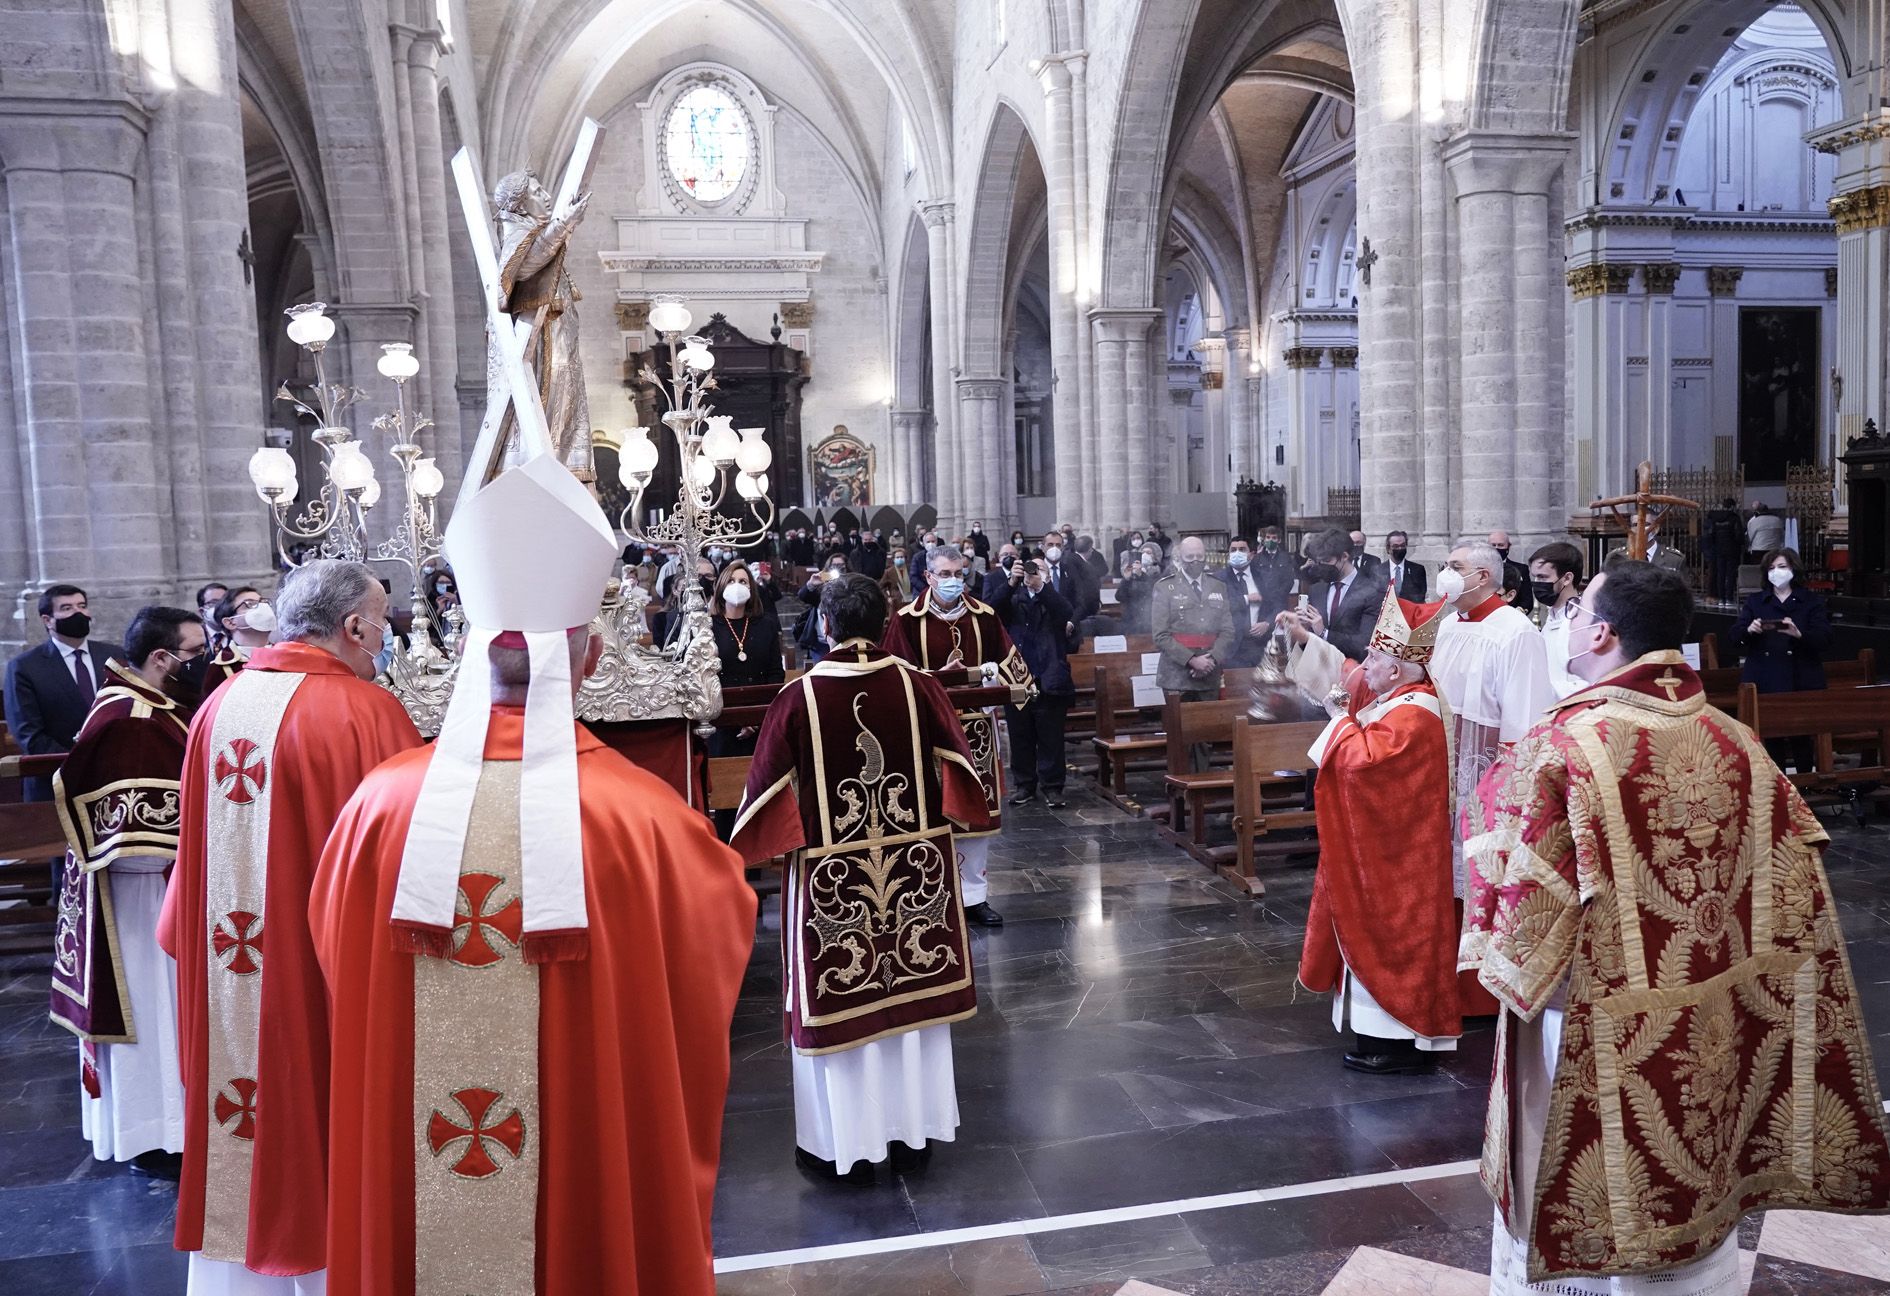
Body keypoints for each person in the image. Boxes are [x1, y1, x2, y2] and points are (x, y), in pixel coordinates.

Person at [312, 453, 755, 1296]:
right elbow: (717, 943)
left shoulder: (377, 808)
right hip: (586, 1132)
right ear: (585, 663)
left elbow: (337, 951)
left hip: (418, 1134)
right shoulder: (646, 818)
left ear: (472, 658)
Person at [1461, 561, 1890, 1293]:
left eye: (1577, 612)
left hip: (1592, 1022)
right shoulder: (1737, 741)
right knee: (1698, 1150)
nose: (1568, 623)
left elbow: (1519, 913)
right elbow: (1794, 898)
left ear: (1602, 632)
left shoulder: (1564, 747)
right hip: (1714, 1016)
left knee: (1595, 1176)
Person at [158, 559, 423, 1294]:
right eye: (381, 621)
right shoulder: (367, 715)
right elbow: (406, 862)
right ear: (355, 626)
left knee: (248, 1111)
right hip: (326, 973)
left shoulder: (220, 704)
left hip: (233, 967)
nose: (384, 638)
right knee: (328, 1111)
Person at [733, 575, 993, 1182]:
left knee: (844, 1002)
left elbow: (761, 804)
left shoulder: (798, 697)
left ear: (824, 625)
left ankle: (843, 1147)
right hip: (916, 876)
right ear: (885, 626)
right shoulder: (919, 686)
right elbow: (964, 777)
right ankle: (918, 1133)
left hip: (834, 879)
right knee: (913, 1006)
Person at [50, 605, 202, 1181]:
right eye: (193, 652)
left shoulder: (150, 705)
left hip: (152, 892)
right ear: (162, 657)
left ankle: (168, 1127)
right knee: (152, 1016)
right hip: (138, 904)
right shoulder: (132, 720)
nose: (201, 659)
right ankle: (158, 1134)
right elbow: (128, 842)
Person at [1296, 588, 1459, 1075]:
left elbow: (1366, 765)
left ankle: (1396, 1044)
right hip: (1387, 845)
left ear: (1395, 669)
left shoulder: (1414, 713)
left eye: (1373, 657)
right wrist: (1308, 642)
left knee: (1393, 936)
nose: (1364, 664)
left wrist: (1339, 722)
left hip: (1399, 857)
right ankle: (1381, 1037)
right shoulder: (1399, 696)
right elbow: (1349, 684)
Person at [1430, 538, 1554, 1018]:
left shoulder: (1515, 631)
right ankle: (1450, 985)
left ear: (1482, 577)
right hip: (1447, 772)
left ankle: (1484, 995)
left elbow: (1524, 715)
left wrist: (1504, 788)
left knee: (1484, 878)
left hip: (1488, 780)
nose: (1445, 573)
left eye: (1453, 566)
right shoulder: (1448, 627)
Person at [881, 546, 1034, 927]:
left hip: (976, 731)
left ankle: (973, 897)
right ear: (929, 577)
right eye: (945, 573)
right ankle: (929, 892)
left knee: (976, 814)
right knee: (933, 810)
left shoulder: (984, 616)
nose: (954, 581)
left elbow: (1015, 671)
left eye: (959, 574)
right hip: (928, 731)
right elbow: (893, 676)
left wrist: (991, 677)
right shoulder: (905, 620)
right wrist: (940, 676)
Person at [4, 585, 122, 801]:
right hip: (55, 783)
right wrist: (80, 763)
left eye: (82, 606)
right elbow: (30, 735)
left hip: (112, 778)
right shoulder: (25, 667)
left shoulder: (113, 656)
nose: (78, 613)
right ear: (47, 620)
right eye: (66, 608)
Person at [990, 553, 1074, 807]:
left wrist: (1041, 587)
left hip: (1049, 675)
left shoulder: (1053, 597)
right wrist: (1012, 583)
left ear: (1047, 574)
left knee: (1051, 736)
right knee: (1020, 734)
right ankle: (1024, 784)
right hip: (1017, 677)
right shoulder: (1012, 598)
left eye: (1038, 569)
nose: (1032, 573)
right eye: (1029, 569)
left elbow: (1065, 612)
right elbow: (991, 612)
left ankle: (1053, 786)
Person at [1740, 547, 1830, 773]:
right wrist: (1750, 629)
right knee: (1771, 739)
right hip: (1766, 676)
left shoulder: (1810, 601)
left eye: (1782, 567)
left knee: (1801, 737)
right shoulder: (1756, 601)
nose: (1776, 572)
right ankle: (1775, 788)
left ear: (1793, 570)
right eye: (1771, 568)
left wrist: (1798, 634)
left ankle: (1805, 787)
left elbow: (1825, 638)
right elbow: (1735, 635)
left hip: (1801, 676)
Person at [1151, 536, 1235, 702]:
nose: (1195, 561)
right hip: (1176, 676)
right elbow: (1160, 635)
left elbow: (1228, 631)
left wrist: (1210, 660)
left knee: (1209, 725)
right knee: (1177, 726)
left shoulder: (1218, 586)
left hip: (1209, 673)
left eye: (1199, 556)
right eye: (1189, 557)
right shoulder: (1165, 587)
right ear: (1180, 557)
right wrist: (1192, 660)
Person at [1301, 528, 1381, 663]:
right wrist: (1302, 629)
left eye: (1326, 560)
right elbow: (1308, 643)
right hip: (1319, 670)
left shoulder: (1372, 591)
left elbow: (1364, 645)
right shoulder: (1317, 590)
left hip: (1353, 671)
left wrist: (1324, 633)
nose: (1321, 566)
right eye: (1319, 562)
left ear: (1344, 556)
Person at [1526, 542, 1585, 699]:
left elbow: (1586, 682)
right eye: (1534, 577)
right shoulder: (1552, 616)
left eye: (1542, 577)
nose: (1537, 583)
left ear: (1567, 578)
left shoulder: (1582, 622)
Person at [205, 587, 275, 689]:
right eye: (250, 604)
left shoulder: (286, 655)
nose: (262, 608)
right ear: (230, 622)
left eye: (264, 602)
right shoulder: (219, 668)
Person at [1218, 537, 1271, 668]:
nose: (1237, 553)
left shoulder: (1263, 576)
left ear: (1252, 554)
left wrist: (1268, 623)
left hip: (1260, 645)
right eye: (1233, 550)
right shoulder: (1218, 579)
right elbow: (1218, 607)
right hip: (1232, 649)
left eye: (1241, 550)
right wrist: (1246, 599)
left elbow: (1276, 605)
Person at [1039, 530, 1097, 646]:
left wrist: (1072, 622)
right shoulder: (1036, 569)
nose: (1054, 548)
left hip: (1069, 633)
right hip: (1043, 634)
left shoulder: (1070, 569)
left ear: (1063, 548)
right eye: (1050, 545)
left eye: (1058, 545)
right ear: (1043, 547)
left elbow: (1080, 601)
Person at [1702, 496, 1742, 600]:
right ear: (1733, 506)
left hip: (1719, 550)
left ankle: (1721, 597)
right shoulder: (1734, 518)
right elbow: (1739, 535)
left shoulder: (1715, 518)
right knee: (1730, 574)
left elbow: (1711, 534)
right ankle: (1729, 597)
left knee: (1720, 574)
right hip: (1732, 550)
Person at [1487, 528, 1535, 613]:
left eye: (1501, 545)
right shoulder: (1480, 569)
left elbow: (1527, 600)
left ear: (1508, 546)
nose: (1496, 548)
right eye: (1493, 545)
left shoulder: (1521, 570)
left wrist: (1517, 612)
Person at [1115, 550, 1156, 635]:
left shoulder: (1151, 576)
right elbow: (1119, 596)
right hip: (1129, 619)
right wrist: (1126, 579)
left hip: (1146, 618)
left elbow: (1150, 592)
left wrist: (1141, 575)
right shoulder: (1127, 579)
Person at [1385, 530, 1425, 601]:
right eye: (1396, 546)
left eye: (1402, 545)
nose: (1400, 548)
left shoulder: (1418, 570)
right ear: (1388, 549)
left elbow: (1420, 597)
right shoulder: (1378, 570)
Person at [880, 546, 913, 611]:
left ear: (905, 558)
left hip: (911, 601)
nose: (900, 559)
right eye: (897, 557)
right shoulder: (889, 572)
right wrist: (888, 597)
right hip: (896, 603)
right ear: (894, 559)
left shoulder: (911, 569)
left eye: (901, 557)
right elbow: (881, 587)